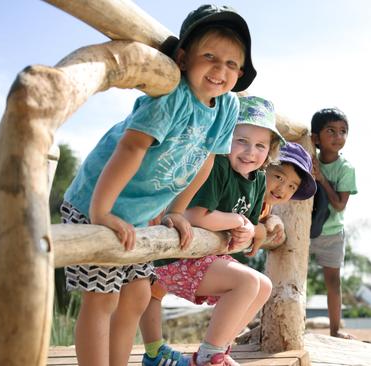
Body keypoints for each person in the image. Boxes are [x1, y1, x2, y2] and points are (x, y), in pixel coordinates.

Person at [60, 4, 256, 365]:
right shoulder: (171, 95)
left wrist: (176, 211)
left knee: (136, 295)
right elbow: (132, 146)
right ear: (183, 57)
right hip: (97, 201)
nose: (220, 70)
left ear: (240, 72)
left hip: (141, 215)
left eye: (231, 64)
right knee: (101, 298)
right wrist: (101, 211)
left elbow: (206, 159)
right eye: (209, 56)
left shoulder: (227, 108)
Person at [142, 96, 284, 366]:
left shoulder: (259, 180)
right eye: (240, 140)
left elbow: (247, 226)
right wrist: (236, 222)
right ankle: (209, 356)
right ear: (224, 137)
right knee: (248, 282)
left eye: (260, 146)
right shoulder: (216, 165)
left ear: (270, 151)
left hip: (208, 259)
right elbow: (194, 215)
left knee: (264, 285)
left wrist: (246, 231)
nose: (250, 152)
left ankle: (220, 351)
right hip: (178, 258)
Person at [308, 107, 358, 339]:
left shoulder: (346, 169)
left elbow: (339, 205)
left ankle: (336, 330)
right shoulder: (308, 157)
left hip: (331, 233)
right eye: (331, 131)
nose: (339, 137)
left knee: (333, 282)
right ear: (316, 137)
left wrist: (322, 179)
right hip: (304, 232)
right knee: (293, 276)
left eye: (343, 131)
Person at [246, 141, 317, 255]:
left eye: (291, 186)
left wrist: (270, 219)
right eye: (279, 177)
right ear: (264, 166)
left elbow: (257, 218)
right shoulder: (246, 193)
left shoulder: (266, 205)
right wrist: (260, 230)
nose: (282, 189)